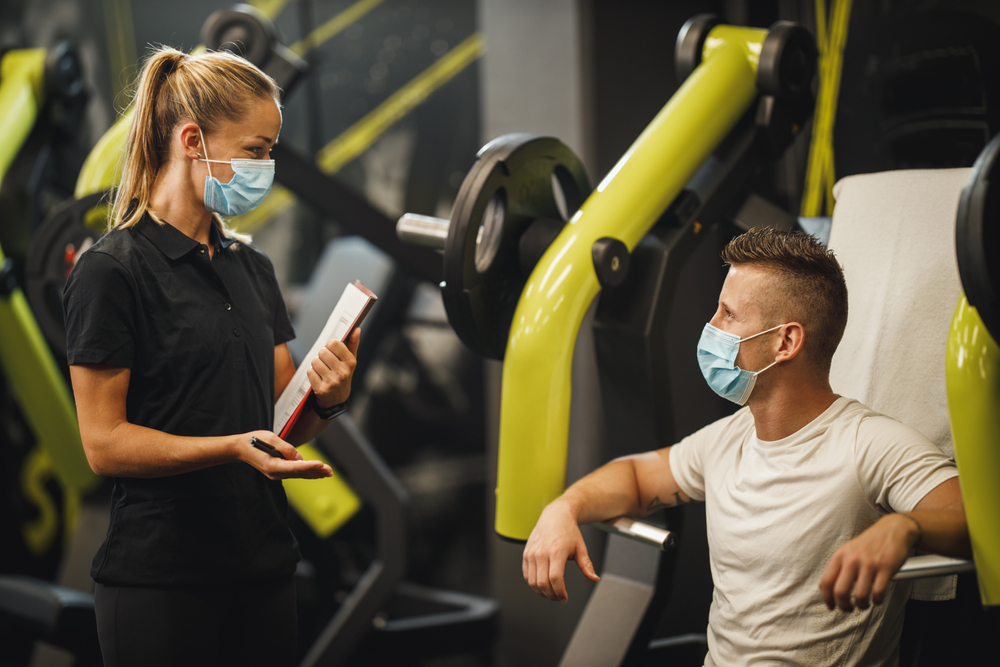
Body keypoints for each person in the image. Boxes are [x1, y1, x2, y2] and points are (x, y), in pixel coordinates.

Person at [522, 227, 970, 665]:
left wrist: (905, 527)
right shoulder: (729, 438)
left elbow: (973, 519)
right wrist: (564, 508)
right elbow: (637, 477)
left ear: (786, 342)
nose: (710, 326)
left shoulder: (868, 444)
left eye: (728, 315)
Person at [62, 46, 356, 667]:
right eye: (256, 150)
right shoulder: (111, 271)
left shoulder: (254, 269)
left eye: (271, 151)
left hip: (265, 570)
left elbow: (281, 425)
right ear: (193, 140)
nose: (266, 166)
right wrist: (227, 446)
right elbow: (103, 443)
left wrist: (327, 399)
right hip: (161, 585)